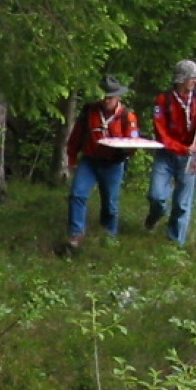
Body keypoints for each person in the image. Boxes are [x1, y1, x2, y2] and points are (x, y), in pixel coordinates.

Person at [59, 75, 142, 255]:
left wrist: (124, 151)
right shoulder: (90, 112)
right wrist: (72, 158)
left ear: (118, 97)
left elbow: (133, 144)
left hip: (113, 164)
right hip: (89, 161)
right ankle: (75, 236)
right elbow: (76, 137)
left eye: (110, 97)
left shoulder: (127, 117)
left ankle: (109, 236)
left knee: (110, 204)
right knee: (77, 195)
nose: (106, 100)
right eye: (104, 96)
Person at [145, 59, 196, 246]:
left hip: (190, 157)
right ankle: (155, 216)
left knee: (182, 203)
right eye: (191, 77)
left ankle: (175, 242)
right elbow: (161, 133)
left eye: (195, 77)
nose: (195, 81)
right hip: (166, 154)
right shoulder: (163, 100)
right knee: (156, 195)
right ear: (180, 79)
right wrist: (180, 148)